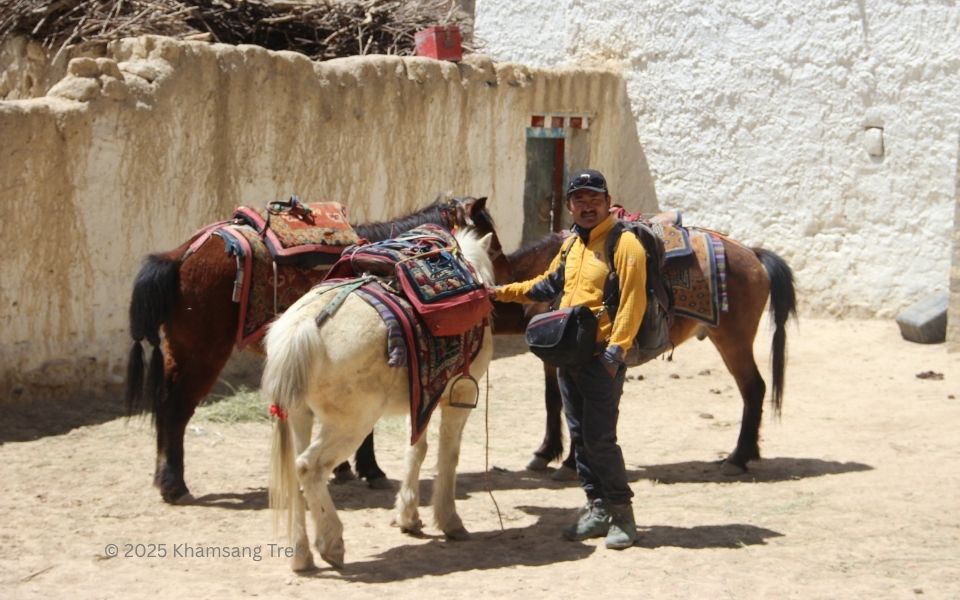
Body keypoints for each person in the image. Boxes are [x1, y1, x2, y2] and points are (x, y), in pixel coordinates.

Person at [493, 168, 647, 549]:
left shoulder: (625, 245)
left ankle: (622, 515)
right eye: (579, 200)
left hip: (601, 358)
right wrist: (499, 292)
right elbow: (546, 285)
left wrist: (617, 351)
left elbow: (633, 300)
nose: (587, 206)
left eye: (595, 199)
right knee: (579, 437)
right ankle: (596, 509)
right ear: (570, 206)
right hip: (570, 354)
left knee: (600, 439)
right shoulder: (572, 245)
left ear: (607, 201)